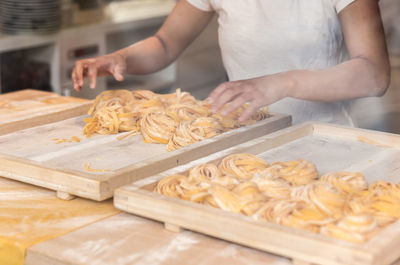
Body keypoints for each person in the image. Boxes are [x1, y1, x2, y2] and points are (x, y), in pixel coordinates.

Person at [72, 0, 390, 125]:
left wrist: (281, 83)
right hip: (244, 135)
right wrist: (120, 58)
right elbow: (165, 44)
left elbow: (373, 74)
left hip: (323, 138)